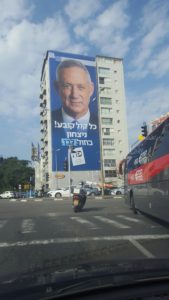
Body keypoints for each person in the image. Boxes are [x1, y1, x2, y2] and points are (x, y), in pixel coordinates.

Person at [51, 59, 100, 171]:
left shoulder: (100, 125)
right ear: (57, 88)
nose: (74, 95)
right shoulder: (51, 122)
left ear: (91, 89)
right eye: (67, 86)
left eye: (81, 87)